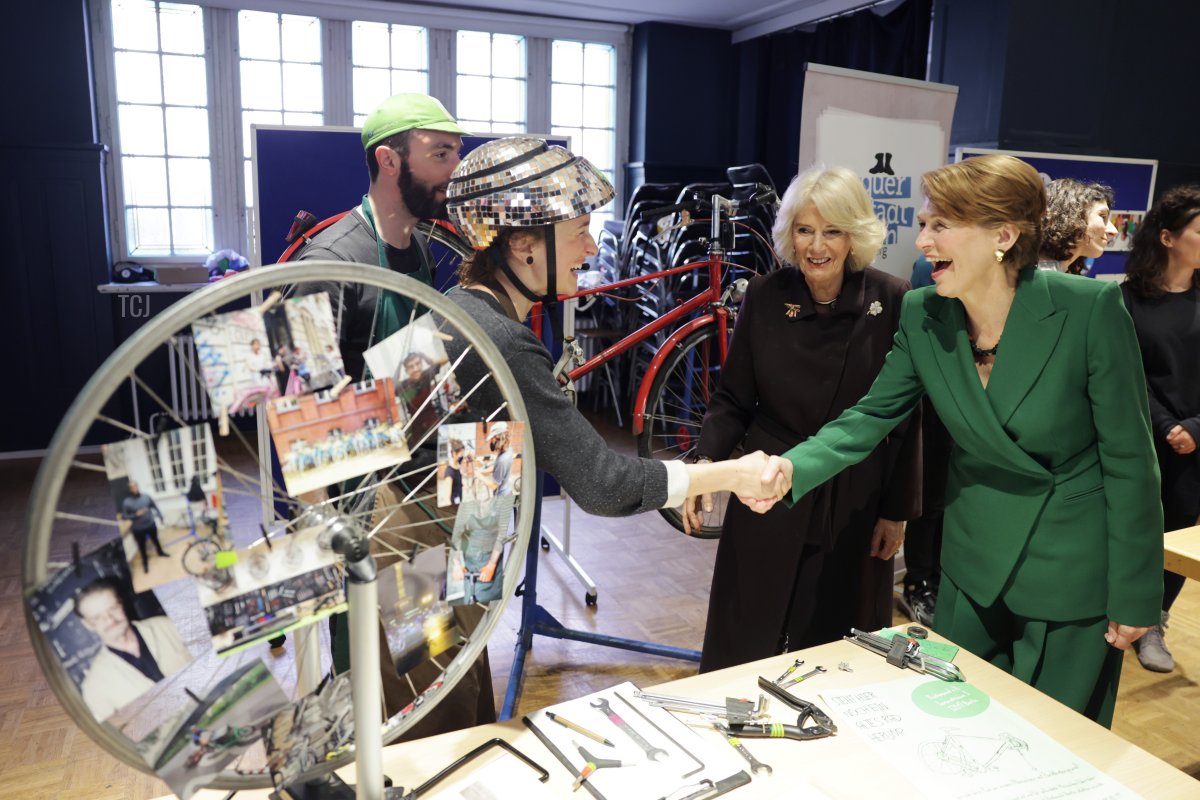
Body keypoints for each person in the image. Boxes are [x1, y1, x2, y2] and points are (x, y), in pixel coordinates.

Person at [752, 154, 1163, 728]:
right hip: (971, 566)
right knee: (962, 732)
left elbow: (1130, 463)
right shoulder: (924, 314)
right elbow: (869, 417)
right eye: (922, 224)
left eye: (939, 225)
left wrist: (1137, 593)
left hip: (1073, 572)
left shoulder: (1088, 309)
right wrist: (791, 468)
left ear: (1002, 234)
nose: (922, 241)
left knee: (1056, 745)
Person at [442, 136, 786, 522]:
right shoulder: (505, 345)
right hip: (406, 562)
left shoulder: (456, 304)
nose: (591, 248)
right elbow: (604, 485)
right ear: (525, 243)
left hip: (414, 545)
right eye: (580, 231)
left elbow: (451, 474)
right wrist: (734, 473)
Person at [683, 166, 922, 672]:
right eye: (805, 229)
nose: (817, 246)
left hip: (855, 494)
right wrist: (704, 465)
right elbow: (732, 398)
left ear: (854, 235)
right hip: (767, 484)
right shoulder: (765, 295)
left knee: (839, 648)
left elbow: (903, 419)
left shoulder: (894, 299)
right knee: (746, 632)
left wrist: (895, 512)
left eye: (832, 230)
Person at [293, 92, 468, 379]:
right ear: (388, 161)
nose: (456, 169)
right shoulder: (324, 267)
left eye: (456, 153)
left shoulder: (420, 246)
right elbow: (293, 412)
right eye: (441, 154)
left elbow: (413, 372)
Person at [1120, 184, 1200, 673]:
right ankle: (1123, 612)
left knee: (1179, 532)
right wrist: (1168, 424)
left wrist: (1194, 428)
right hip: (1140, 435)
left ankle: (1154, 622)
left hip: (1195, 444)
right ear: (1168, 238)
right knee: (1134, 531)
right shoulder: (1126, 300)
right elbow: (1124, 375)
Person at [74, 577, 192, 720]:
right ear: (88, 624)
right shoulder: (93, 687)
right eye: (98, 617)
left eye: (113, 608)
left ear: (121, 604)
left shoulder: (169, 625)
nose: (110, 620)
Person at [1038, 178, 1118, 274]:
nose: (1114, 231)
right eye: (1102, 216)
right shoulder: (1040, 279)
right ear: (1071, 215)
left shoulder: (1033, 274)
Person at [121, 480, 168, 574]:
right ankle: (145, 563)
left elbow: (154, 506)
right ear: (130, 489)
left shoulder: (146, 497)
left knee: (156, 540)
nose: (135, 488)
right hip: (138, 528)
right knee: (142, 547)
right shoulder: (126, 502)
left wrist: (160, 516)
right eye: (132, 487)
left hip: (151, 524)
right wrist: (136, 515)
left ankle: (161, 553)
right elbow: (124, 516)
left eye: (136, 486)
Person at [484, 422, 515, 497]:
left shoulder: (502, 459)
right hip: (506, 490)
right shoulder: (509, 449)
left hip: (501, 496)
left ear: (499, 438)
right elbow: (497, 467)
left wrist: (479, 475)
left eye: (493, 439)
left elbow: (494, 486)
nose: (491, 442)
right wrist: (483, 471)